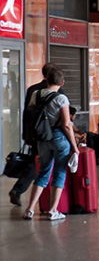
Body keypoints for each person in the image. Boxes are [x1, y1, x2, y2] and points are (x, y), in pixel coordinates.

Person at [22, 67, 79, 221]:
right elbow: (66, 124)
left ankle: (29, 209)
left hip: (42, 138)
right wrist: (74, 147)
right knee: (60, 172)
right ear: (62, 82)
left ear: (46, 80)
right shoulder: (61, 99)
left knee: (43, 172)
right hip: (59, 138)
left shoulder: (36, 94)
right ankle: (53, 210)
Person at [9, 63, 58, 206]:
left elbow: (26, 112)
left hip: (33, 132)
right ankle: (21, 190)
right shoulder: (55, 91)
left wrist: (26, 133)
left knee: (34, 161)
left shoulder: (32, 89)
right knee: (40, 164)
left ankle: (19, 190)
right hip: (48, 134)